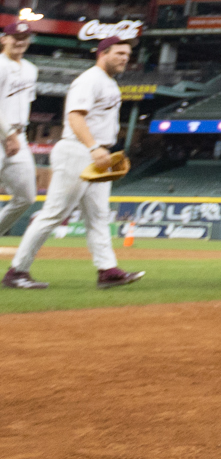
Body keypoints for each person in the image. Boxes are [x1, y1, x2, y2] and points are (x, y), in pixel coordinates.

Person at [4, 37, 144, 290]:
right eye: (120, 53)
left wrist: (103, 150)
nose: (125, 58)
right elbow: (75, 117)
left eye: (128, 54)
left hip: (97, 153)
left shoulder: (109, 82)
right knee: (54, 214)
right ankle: (17, 271)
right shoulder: (89, 79)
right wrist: (94, 147)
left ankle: (108, 270)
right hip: (79, 151)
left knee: (99, 216)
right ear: (103, 53)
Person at [0, 23, 40, 242]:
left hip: (18, 136)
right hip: (6, 135)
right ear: (4, 38)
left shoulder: (31, 69)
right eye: (16, 36)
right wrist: (9, 134)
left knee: (26, 196)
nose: (20, 41)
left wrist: (16, 135)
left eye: (25, 37)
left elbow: (24, 105)